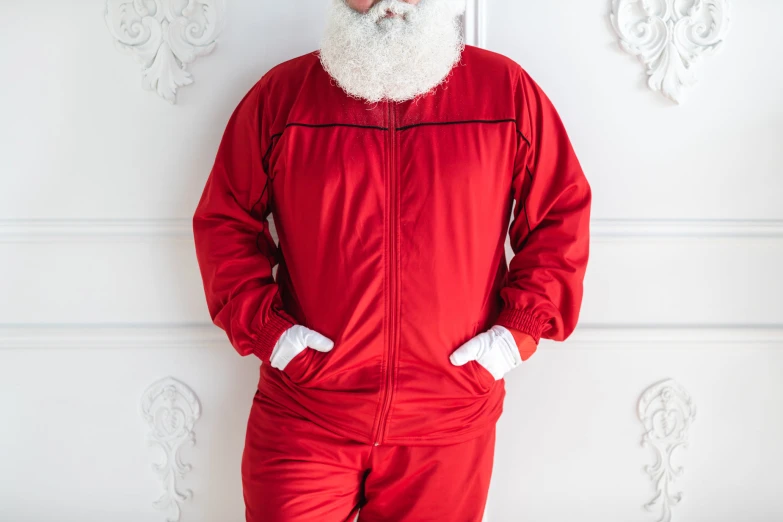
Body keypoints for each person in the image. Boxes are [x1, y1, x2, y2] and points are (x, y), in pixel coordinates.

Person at [192, 0, 592, 520]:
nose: (390, 1)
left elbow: (560, 213)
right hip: (307, 414)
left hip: (447, 424)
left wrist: (513, 337)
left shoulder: (506, 91)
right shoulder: (281, 97)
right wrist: (272, 335)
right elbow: (225, 220)